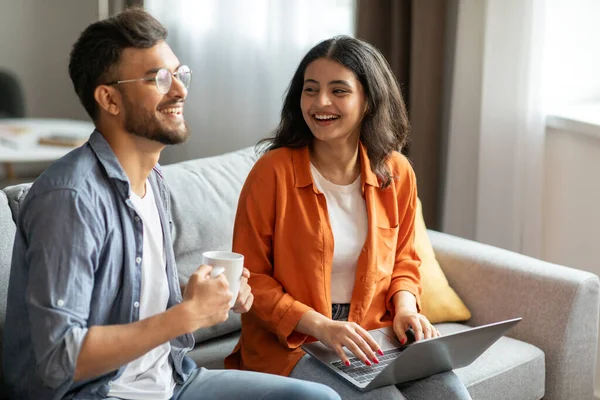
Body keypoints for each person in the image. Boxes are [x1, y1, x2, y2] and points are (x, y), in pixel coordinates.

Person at [0, 8, 340, 400]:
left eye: (179, 74)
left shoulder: (153, 181)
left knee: (319, 399)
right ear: (109, 98)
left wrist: (211, 298)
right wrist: (186, 315)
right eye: (158, 79)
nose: (179, 90)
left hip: (174, 380)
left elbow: (131, 298)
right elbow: (60, 357)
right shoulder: (70, 199)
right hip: (100, 393)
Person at [225, 36, 472, 400]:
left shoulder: (396, 172)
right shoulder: (271, 173)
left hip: (373, 333)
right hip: (294, 342)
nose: (321, 102)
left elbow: (405, 259)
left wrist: (405, 308)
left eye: (338, 91)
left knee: (450, 394)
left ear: (368, 100)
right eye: (311, 90)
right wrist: (322, 326)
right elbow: (252, 278)